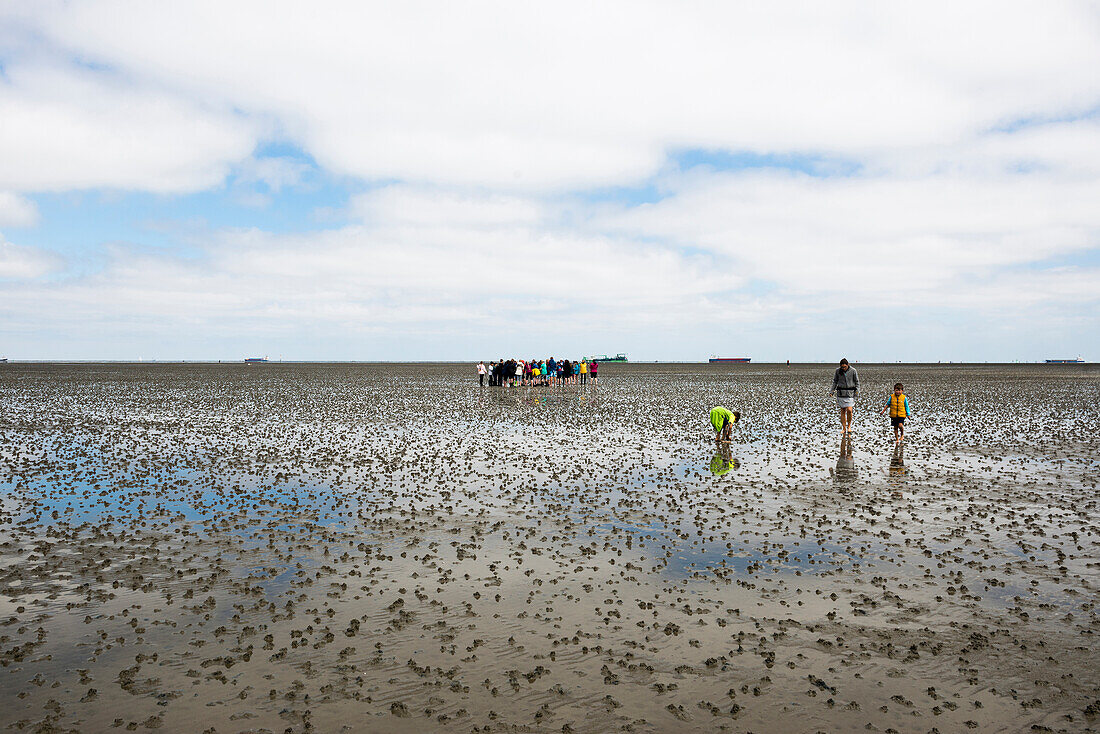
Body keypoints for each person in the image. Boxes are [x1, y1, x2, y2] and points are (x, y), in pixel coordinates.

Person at [830, 358, 859, 434]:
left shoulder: (853, 371)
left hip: (850, 393)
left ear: (847, 365)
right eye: (842, 367)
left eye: (844, 367)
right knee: (843, 411)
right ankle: (844, 428)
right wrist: (832, 391)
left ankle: (849, 426)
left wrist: (857, 391)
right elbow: (835, 381)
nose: (843, 368)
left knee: (849, 410)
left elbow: (857, 382)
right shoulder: (838, 371)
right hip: (841, 393)